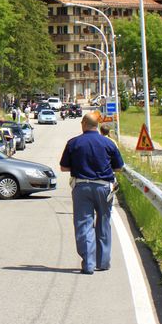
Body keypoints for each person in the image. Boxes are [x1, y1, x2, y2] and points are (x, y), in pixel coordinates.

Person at [60, 112, 124, 275]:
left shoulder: (73, 143)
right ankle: (103, 262)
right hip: (104, 188)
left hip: (82, 188)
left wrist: (79, 166)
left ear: (83, 124)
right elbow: (118, 167)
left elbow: (64, 167)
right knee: (104, 221)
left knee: (83, 224)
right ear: (97, 125)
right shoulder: (109, 143)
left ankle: (88, 264)